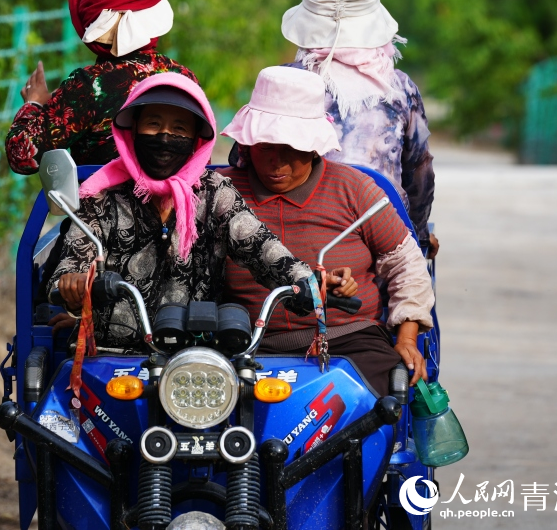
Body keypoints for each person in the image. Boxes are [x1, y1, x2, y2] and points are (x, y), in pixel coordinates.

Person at [47, 71, 356, 351]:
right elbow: (73, 259)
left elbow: (262, 247)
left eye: (179, 128)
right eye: (153, 124)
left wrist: (310, 282)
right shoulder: (100, 194)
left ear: (196, 139)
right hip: (108, 356)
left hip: (198, 359)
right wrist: (72, 283)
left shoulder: (214, 191)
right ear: (133, 129)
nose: (165, 137)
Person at [219, 66, 435, 396]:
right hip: (242, 347)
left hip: (350, 341)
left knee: (379, 405)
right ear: (248, 145)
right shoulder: (220, 193)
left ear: (314, 147)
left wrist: (407, 339)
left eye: (291, 148)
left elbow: (406, 265)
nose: (277, 164)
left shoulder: (355, 189)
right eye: (265, 148)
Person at [245, 0, 438, 256]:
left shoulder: (281, 82)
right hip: (384, 236)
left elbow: (245, 158)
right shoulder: (399, 89)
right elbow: (419, 174)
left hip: (290, 241)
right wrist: (419, 238)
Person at [5, 0, 197, 174]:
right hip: (176, 209)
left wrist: (34, 104)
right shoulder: (184, 78)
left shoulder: (90, 85)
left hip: (100, 210)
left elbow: (23, 156)